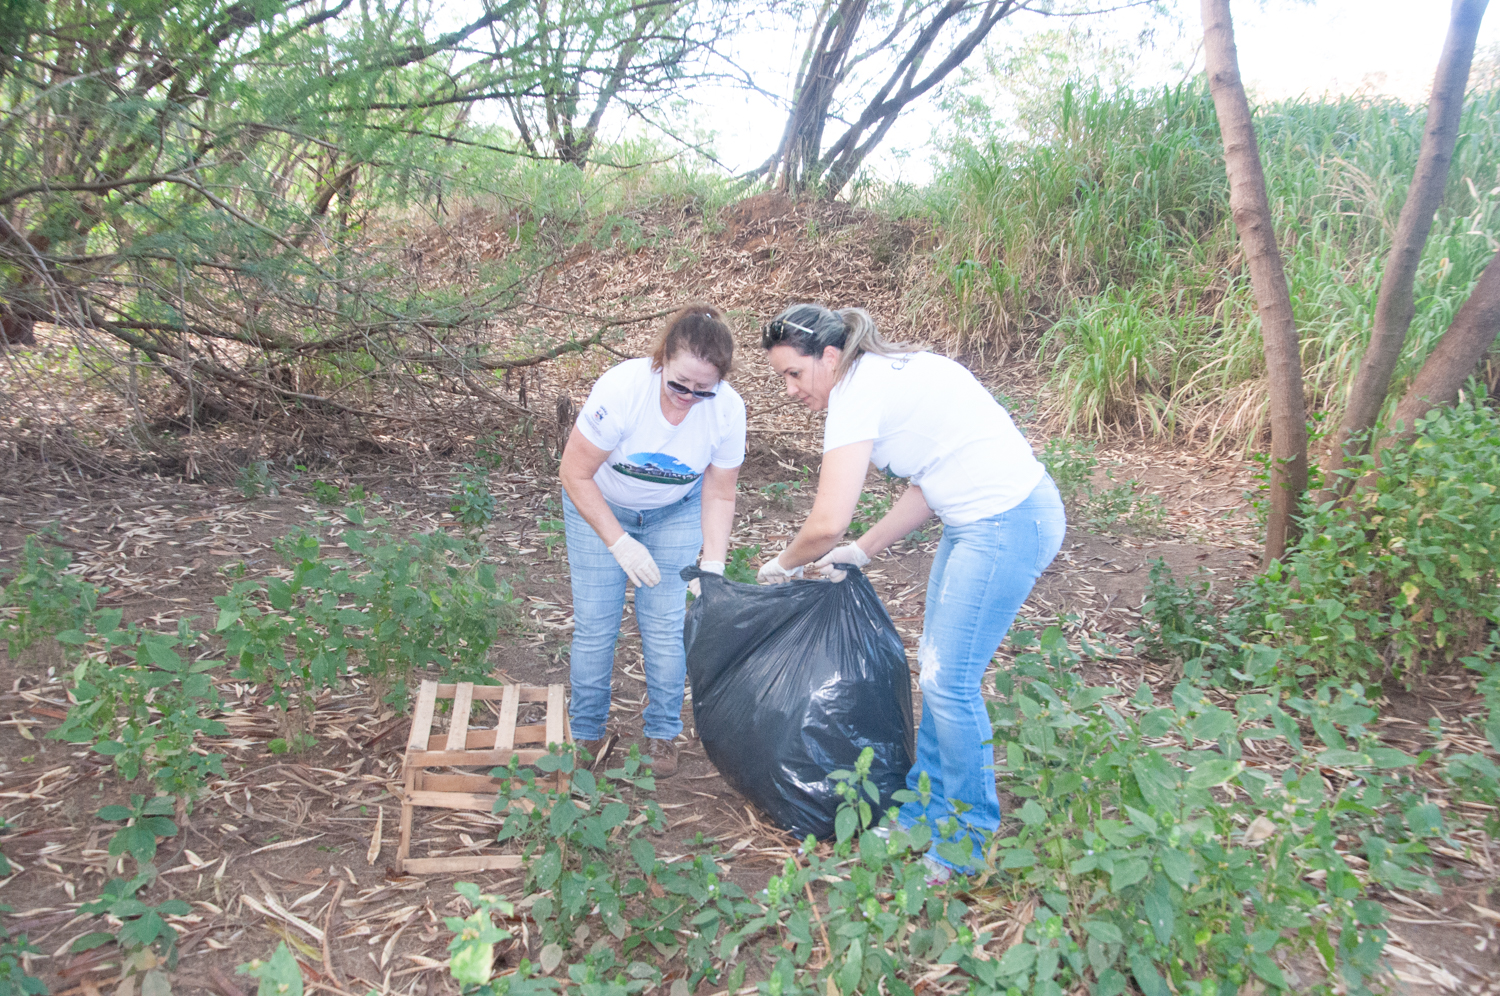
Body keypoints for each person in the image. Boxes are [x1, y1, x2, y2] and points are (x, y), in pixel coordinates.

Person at [756, 302, 1065, 878]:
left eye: (793, 374)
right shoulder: (885, 373)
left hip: (1009, 521)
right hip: (979, 518)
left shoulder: (858, 392)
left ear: (829, 356)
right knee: (937, 669)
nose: (790, 390)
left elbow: (825, 523)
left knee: (951, 682)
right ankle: (924, 807)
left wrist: (780, 566)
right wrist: (863, 551)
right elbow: (932, 481)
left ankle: (966, 842)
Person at [559, 304, 745, 778]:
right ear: (662, 359)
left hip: (675, 513)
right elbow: (574, 472)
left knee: (663, 626)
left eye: (703, 390)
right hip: (600, 503)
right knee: (597, 625)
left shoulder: (726, 411)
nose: (688, 395)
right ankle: (586, 731)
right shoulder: (623, 390)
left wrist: (715, 565)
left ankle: (663, 734)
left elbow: (720, 492)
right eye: (679, 383)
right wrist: (619, 541)